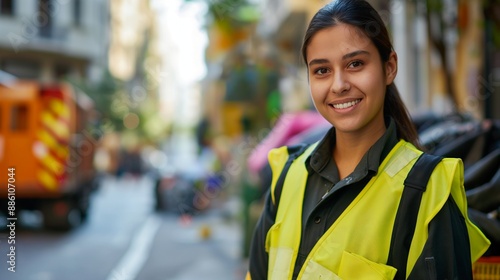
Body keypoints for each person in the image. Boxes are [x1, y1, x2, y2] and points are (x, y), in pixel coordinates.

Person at [246, 0, 491, 279]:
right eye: (322, 70)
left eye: (355, 64)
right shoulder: (287, 175)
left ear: (389, 67)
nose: (338, 85)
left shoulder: (427, 190)